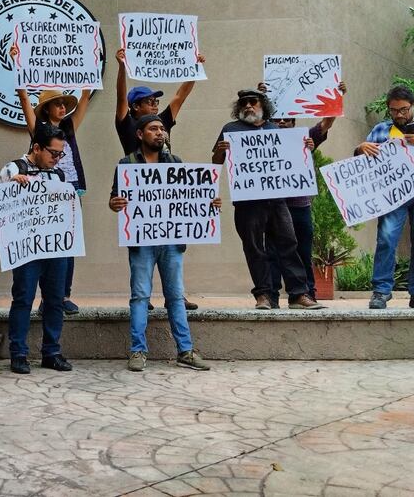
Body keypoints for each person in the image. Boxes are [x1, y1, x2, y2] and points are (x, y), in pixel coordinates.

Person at [109, 114, 218, 371]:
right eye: (153, 129)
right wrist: (114, 204)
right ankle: (137, 351)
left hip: (171, 241)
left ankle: (185, 351)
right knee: (139, 296)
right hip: (142, 242)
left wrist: (209, 203)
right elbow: (115, 200)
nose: (160, 133)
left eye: (162, 129)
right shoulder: (127, 164)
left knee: (176, 296)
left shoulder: (175, 162)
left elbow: (188, 198)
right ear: (140, 134)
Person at [212, 89, 325, 310]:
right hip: (247, 203)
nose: (248, 106)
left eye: (253, 102)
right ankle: (263, 295)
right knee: (254, 248)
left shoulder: (276, 129)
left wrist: (306, 147)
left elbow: (295, 159)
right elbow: (216, 162)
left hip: (277, 200)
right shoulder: (230, 129)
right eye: (243, 103)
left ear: (263, 105)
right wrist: (220, 150)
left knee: (289, 244)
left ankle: (298, 294)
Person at [115, 48, 206, 312]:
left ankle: (176, 294)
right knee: (142, 246)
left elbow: (180, 96)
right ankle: (142, 295)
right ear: (135, 107)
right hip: (140, 192)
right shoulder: (126, 124)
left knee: (173, 241)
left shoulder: (162, 121)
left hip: (168, 190)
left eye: (156, 101)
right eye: (148, 100)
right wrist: (122, 67)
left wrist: (194, 69)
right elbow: (120, 97)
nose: (155, 104)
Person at [356, 85, 414, 309]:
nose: (399, 114)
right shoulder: (381, 130)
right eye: (394, 110)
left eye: (404, 109)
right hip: (393, 194)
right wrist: (360, 148)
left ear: (413, 105)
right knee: (386, 239)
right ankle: (381, 291)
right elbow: (361, 160)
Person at [259, 81, 347, 307]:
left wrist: (336, 96)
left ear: (293, 122)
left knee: (302, 251)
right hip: (272, 205)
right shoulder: (260, 138)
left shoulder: (305, 137)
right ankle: (272, 297)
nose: (281, 123)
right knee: (272, 252)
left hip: (299, 205)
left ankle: (306, 294)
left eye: (286, 120)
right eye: (277, 119)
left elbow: (326, 123)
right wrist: (262, 96)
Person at [0, 124, 74, 374]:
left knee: (54, 300)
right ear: (37, 148)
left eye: (61, 154)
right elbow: (0, 207)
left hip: (54, 248)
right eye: (53, 153)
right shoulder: (13, 168)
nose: (57, 158)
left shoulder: (59, 175)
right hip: (27, 250)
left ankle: (51, 352)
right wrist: (11, 185)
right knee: (23, 299)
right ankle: (18, 353)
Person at [16, 86, 90, 315]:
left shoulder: (68, 128)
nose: (62, 108)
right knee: (48, 245)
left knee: (69, 243)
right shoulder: (39, 129)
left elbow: (85, 99)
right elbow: (25, 102)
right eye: (57, 104)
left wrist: (90, 72)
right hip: (47, 192)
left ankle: (63, 295)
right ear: (46, 109)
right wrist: (20, 79)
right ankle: (48, 296)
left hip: (72, 190)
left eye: (64, 105)